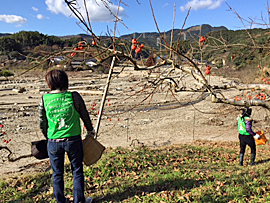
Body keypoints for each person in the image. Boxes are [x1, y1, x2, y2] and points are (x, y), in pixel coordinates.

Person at [38, 69, 94, 203]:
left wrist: (47, 135)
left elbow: (41, 121)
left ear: (49, 84)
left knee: (57, 173)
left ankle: (60, 201)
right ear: (65, 82)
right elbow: (84, 115)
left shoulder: (45, 99)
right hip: (73, 139)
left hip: (53, 141)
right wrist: (90, 130)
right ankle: (79, 200)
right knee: (77, 171)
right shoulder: (74, 96)